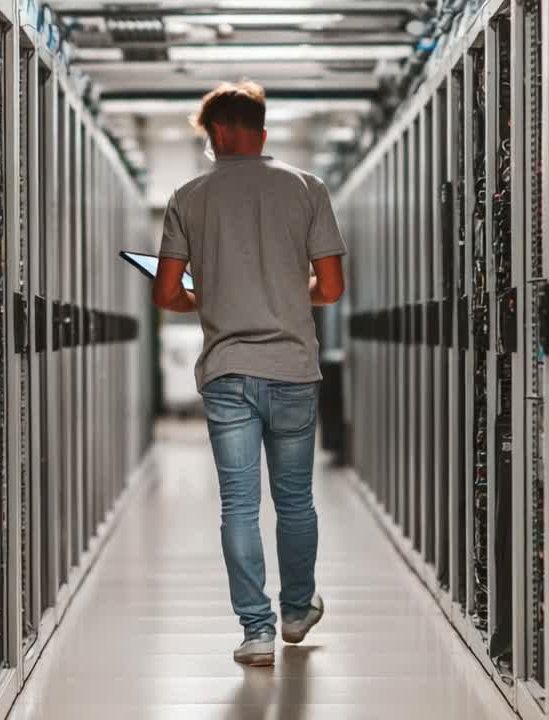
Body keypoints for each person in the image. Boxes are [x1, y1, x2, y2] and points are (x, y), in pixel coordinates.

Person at [151, 80, 347, 667]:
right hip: (292, 367)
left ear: (213, 136)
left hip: (228, 371)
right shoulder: (306, 188)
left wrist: (209, 300)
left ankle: (256, 630)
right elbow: (331, 289)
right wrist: (288, 292)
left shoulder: (188, 196)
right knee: (295, 500)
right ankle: (294, 612)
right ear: (261, 132)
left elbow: (166, 294)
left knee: (238, 503)